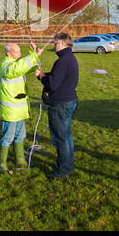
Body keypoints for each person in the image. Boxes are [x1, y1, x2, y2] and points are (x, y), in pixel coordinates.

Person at [34, 33, 79, 179]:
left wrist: (41, 77)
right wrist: (45, 74)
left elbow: (52, 84)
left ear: (62, 44)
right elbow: (58, 77)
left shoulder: (63, 61)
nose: (53, 46)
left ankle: (62, 171)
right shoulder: (69, 58)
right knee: (66, 137)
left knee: (60, 139)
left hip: (61, 104)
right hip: (68, 101)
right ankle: (68, 166)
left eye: (55, 43)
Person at [0, 42, 43, 173]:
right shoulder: (6, 66)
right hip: (11, 111)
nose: (19, 54)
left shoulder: (16, 64)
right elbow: (19, 67)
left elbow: (26, 66)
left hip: (19, 110)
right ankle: (2, 164)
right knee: (8, 138)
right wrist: (34, 55)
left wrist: (33, 54)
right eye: (17, 52)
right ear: (8, 53)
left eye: (19, 51)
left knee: (20, 135)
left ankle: (20, 160)